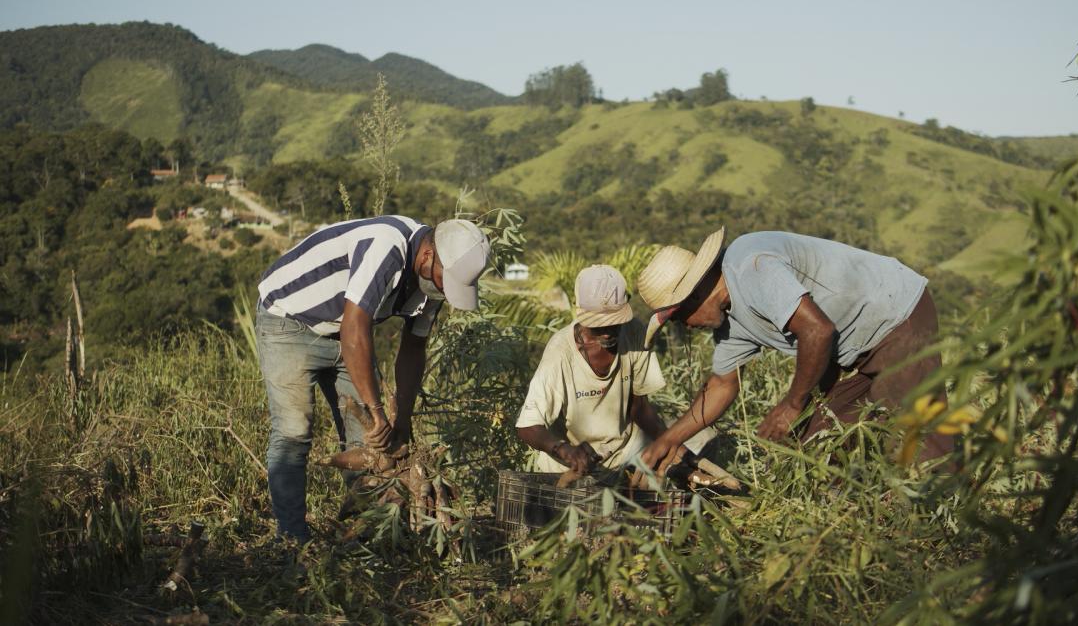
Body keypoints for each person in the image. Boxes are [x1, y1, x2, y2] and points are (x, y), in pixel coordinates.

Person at [636, 227, 953, 475]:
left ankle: (955, 529)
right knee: (819, 445)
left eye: (678, 318)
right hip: (858, 350)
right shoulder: (728, 322)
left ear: (694, 296)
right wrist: (669, 439)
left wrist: (791, 405)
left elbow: (817, 330)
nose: (685, 328)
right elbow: (721, 385)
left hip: (896, 317)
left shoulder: (749, 266)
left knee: (920, 443)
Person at [255, 215, 489, 541]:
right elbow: (355, 328)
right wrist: (376, 410)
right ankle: (292, 538)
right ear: (426, 256)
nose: (444, 291)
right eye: (444, 282)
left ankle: (364, 531)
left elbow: (413, 348)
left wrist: (402, 421)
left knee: (369, 443)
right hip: (290, 321)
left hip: (345, 333)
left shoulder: (433, 284)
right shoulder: (386, 245)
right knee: (294, 432)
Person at [515, 264, 711, 474]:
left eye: (614, 323)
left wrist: (676, 449)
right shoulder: (561, 351)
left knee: (703, 439)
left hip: (625, 454)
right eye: (599, 325)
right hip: (572, 465)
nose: (608, 333)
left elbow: (639, 408)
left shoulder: (634, 333)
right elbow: (528, 426)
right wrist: (564, 450)